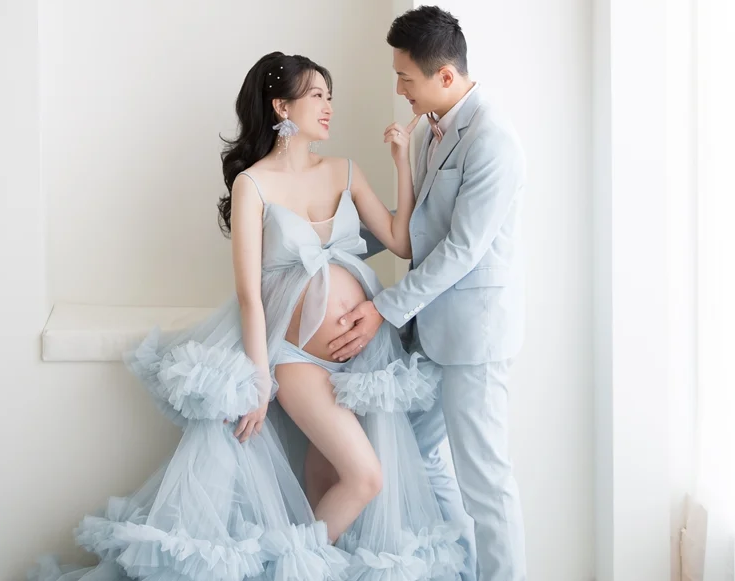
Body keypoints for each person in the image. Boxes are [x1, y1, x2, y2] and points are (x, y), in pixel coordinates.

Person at [31, 51, 468, 581]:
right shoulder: (252, 185)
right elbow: (249, 296)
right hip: (298, 361)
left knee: (326, 486)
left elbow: (401, 241)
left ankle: (303, 570)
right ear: (281, 107)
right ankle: (286, 572)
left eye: (330, 96)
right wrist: (259, 383)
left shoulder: (344, 170)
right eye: (317, 96)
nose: (329, 107)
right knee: (365, 478)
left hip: (360, 364)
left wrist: (401, 161)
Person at [329, 6, 527, 581]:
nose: (399, 90)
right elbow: (415, 231)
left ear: (444, 75)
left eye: (405, 78)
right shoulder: (426, 132)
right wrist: (332, 245)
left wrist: (382, 310)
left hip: (473, 339)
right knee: (411, 455)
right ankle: (460, 567)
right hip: (431, 334)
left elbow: (461, 250)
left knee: (485, 483)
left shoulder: (493, 139)